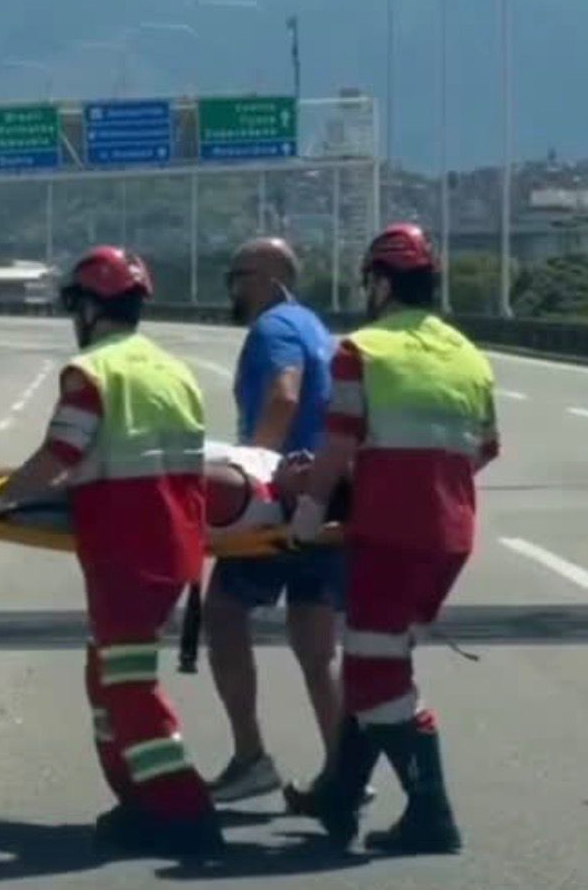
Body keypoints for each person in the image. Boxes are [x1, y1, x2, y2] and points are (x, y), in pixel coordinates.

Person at [0, 245, 223, 857]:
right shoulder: (173, 371)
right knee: (108, 677)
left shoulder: (91, 372)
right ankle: (136, 797)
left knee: (127, 683)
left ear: (88, 307)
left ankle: (183, 807)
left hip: (127, 548)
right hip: (174, 545)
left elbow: (62, 455)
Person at [290, 223, 499, 854]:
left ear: (380, 283)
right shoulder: (468, 352)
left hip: (389, 534)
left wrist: (310, 508)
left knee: (379, 678)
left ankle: (431, 813)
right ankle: (340, 794)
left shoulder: (362, 348)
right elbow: (485, 447)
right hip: (451, 532)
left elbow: (340, 439)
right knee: (374, 659)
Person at [204, 237, 351, 814]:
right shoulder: (315, 325)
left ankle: (250, 757)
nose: (233, 288)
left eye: (237, 276)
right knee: (316, 648)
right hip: (327, 500)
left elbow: (284, 398)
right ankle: (344, 768)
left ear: (267, 277)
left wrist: (251, 474)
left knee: (223, 614)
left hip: (279, 503)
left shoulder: (273, 329)